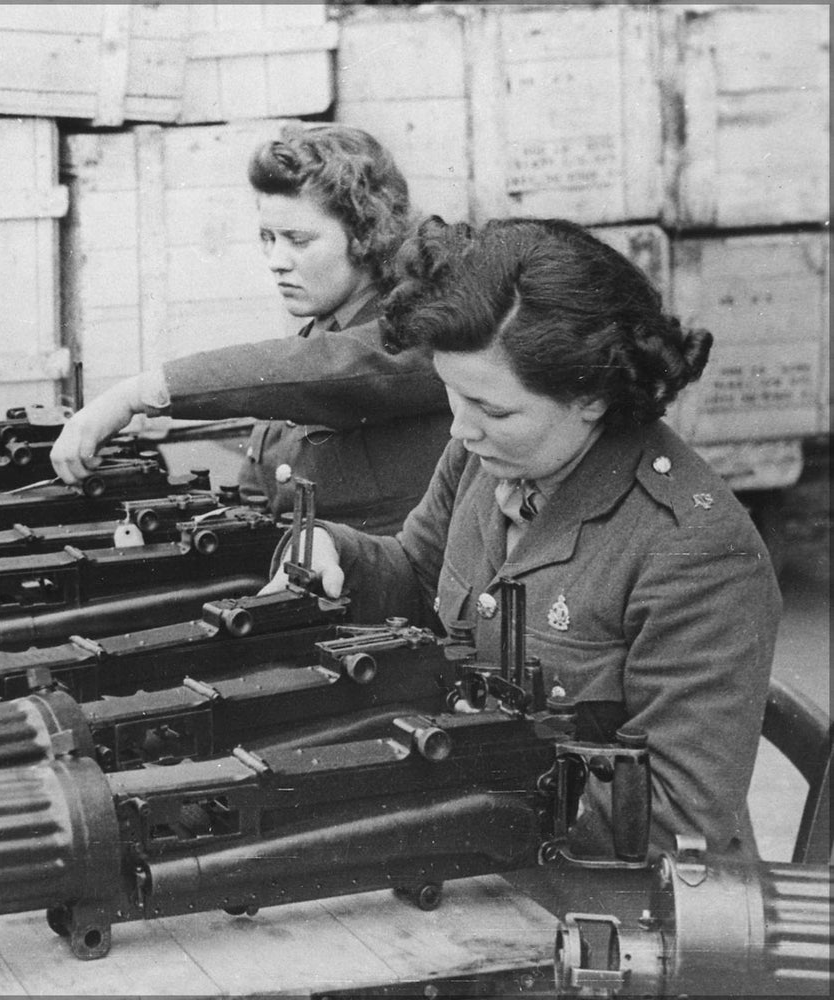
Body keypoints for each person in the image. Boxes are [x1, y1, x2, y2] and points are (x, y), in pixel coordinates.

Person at [250, 217, 779, 858]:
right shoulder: (486, 454)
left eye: (495, 410)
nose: (460, 429)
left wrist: (432, 786)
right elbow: (418, 576)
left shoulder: (697, 552)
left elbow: (672, 818)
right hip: (478, 847)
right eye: (453, 394)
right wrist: (333, 551)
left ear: (591, 397)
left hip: (601, 891)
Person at [56, 123, 451, 535]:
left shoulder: (418, 332)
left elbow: (324, 369)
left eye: (298, 240)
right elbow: (261, 494)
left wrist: (135, 395)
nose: (276, 260)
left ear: (365, 236)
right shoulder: (322, 333)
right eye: (267, 237)